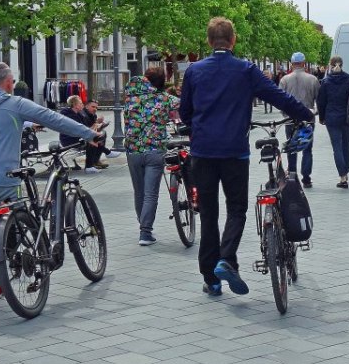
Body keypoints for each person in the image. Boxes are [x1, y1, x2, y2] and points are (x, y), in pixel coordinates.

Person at [179, 17, 313, 297]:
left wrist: (197, 127)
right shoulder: (245, 70)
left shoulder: (194, 71)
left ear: (208, 41)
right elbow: (278, 97)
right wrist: (305, 114)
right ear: (233, 40)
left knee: (208, 214)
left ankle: (211, 280)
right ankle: (227, 259)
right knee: (236, 209)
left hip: (202, 152)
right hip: (233, 152)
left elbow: (185, 113)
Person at [0, 62, 103, 309]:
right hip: (3, 177)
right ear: (8, 83)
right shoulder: (14, 103)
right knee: (16, 228)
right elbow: (53, 119)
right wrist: (90, 134)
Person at [123, 66, 180, 246]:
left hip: (133, 150)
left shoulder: (130, 96)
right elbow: (184, 104)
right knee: (150, 194)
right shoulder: (163, 98)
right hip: (155, 150)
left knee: (139, 192)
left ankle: (143, 224)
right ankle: (145, 232)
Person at [316, 55, 349, 188]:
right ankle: (346, 172)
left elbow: (321, 101)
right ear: (342, 64)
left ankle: (342, 176)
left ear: (330, 64)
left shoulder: (326, 81)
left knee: (337, 147)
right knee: (346, 146)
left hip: (332, 118)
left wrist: (322, 117)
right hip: (347, 117)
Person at [279, 51, 320, 187]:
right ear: (303, 63)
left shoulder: (285, 80)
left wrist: (285, 114)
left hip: (290, 119)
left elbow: (279, 100)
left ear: (292, 64)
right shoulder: (312, 79)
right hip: (307, 119)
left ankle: (292, 175)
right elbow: (318, 99)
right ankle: (306, 178)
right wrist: (315, 112)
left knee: (292, 148)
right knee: (307, 149)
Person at [59, 96, 107, 173]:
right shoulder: (71, 116)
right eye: (80, 103)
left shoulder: (78, 114)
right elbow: (82, 130)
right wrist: (96, 124)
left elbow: (85, 129)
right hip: (70, 140)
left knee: (98, 136)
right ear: (75, 105)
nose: (82, 105)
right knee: (92, 139)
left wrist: (97, 126)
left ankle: (93, 163)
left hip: (76, 138)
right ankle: (90, 166)